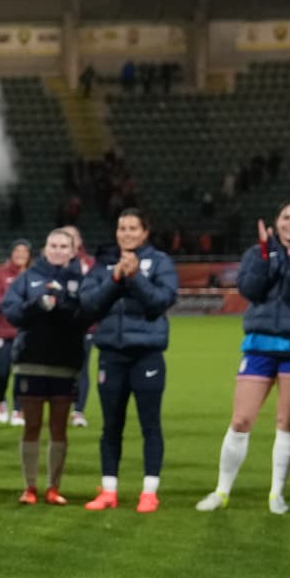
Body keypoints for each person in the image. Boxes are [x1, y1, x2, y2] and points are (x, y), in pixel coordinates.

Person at [197, 203, 290, 514]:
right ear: (276, 222)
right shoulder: (257, 252)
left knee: (285, 423)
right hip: (259, 345)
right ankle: (221, 491)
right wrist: (264, 255)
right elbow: (250, 289)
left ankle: (276, 494)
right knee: (241, 420)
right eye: (286, 217)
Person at [78, 209, 178, 513]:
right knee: (111, 426)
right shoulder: (103, 264)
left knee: (150, 425)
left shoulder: (159, 262)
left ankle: (149, 492)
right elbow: (88, 304)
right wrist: (115, 277)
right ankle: (109, 490)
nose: (127, 233)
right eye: (122, 228)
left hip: (146, 353)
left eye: (133, 228)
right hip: (111, 353)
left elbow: (162, 301)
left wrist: (135, 278)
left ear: (145, 232)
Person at [3, 228, 88, 504]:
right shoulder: (27, 278)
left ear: (73, 250)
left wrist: (61, 305)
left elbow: (86, 314)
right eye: (53, 245)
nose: (58, 250)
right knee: (32, 425)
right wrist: (36, 306)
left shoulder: (81, 279)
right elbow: (12, 312)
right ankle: (30, 487)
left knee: (59, 427)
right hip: (31, 362)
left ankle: (53, 487)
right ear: (45, 248)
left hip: (64, 363)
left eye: (64, 246)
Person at [0, 240, 31, 425]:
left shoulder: (32, 275)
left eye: (24, 251)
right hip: (3, 331)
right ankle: (1, 401)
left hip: (25, 332)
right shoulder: (0, 275)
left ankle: (18, 409)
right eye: (17, 251)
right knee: (2, 372)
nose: (20, 254)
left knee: (21, 372)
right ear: (11, 254)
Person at [68, 226, 97, 429]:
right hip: (59, 327)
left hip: (85, 327)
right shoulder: (52, 263)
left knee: (82, 368)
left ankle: (78, 410)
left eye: (73, 236)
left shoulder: (91, 264)